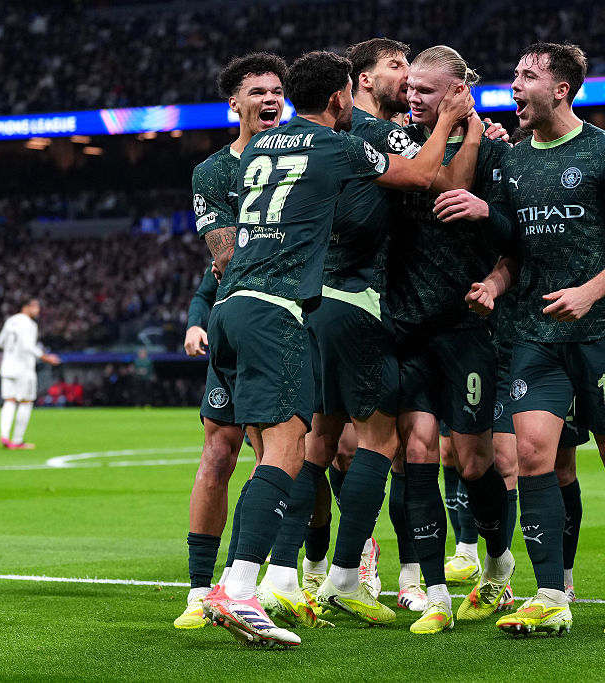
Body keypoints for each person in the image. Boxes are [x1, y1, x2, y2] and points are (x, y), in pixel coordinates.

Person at [201, 50, 474, 648]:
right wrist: (452, 120)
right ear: (340, 98)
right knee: (286, 451)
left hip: (232, 306)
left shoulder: (257, 152)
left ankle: (254, 581)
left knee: (289, 448)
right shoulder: (340, 146)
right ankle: (240, 588)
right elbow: (426, 175)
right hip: (280, 311)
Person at [436, 42, 605, 636]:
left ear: (560, 89)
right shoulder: (512, 162)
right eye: (514, 74)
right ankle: (552, 595)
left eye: (526, 76)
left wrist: (588, 292)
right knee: (532, 454)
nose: (514, 85)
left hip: (602, 330)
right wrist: (493, 280)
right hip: (536, 332)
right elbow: (516, 251)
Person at [384, 44, 516, 635]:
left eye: (425, 91)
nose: (412, 98)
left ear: (458, 90)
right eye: (408, 87)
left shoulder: (496, 152)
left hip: (467, 326)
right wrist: (449, 126)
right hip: (408, 326)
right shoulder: (400, 145)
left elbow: (514, 237)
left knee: (472, 460)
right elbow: (436, 186)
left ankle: (496, 564)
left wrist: (492, 274)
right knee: (416, 454)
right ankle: (434, 591)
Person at [174, 52, 289, 632]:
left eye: (278, 90)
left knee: (285, 454)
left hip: (293, 319)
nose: (271, 99)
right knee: (221, 452)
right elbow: (223, 257)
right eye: (258, 91)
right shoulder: (215, 173)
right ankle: (200, 588)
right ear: (234, 105)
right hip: (241, 321)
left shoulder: (303, 156)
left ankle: (271, 579)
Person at [0, 298, 61, 448]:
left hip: (7, 366)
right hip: (24, 369)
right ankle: (18, 440)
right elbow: (27, 346)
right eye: (35, 307)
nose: (38, 310)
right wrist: (46, 357)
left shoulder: (10, 321)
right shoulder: (30, 324)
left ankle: (4, 436)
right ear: (26, 307)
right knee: (25, 402)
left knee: (9, 401)